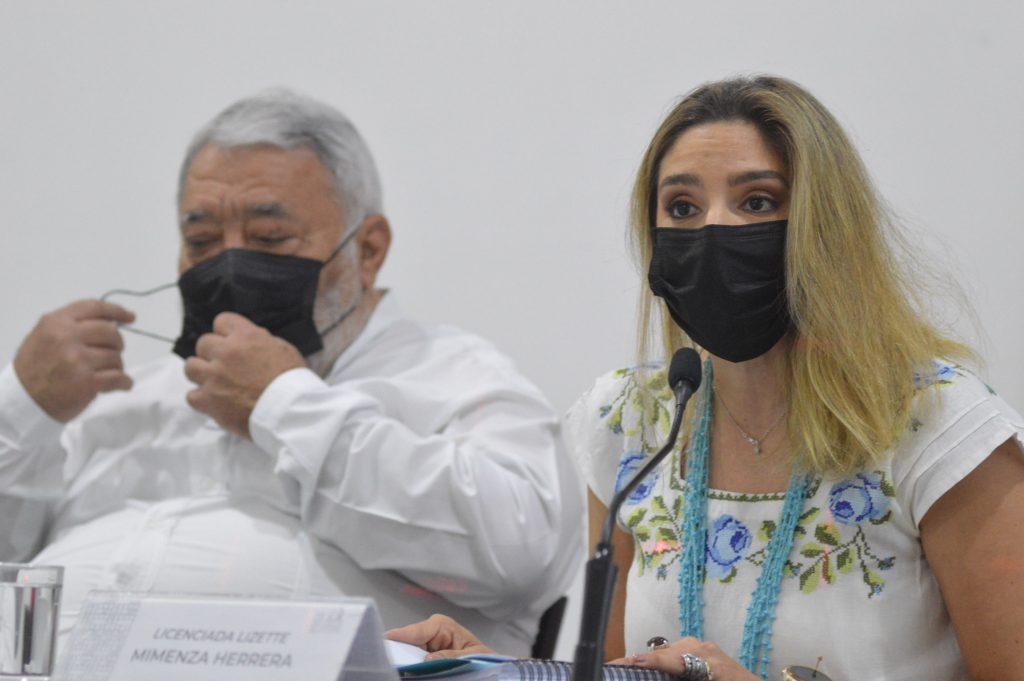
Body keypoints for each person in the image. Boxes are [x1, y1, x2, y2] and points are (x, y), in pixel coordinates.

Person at [387, 76, 1024, 680]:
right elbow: (615, 674)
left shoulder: (938, 426)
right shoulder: (631, 419)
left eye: (757, 202)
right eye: (683, 207)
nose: (715, 229)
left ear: (827, 227)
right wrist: (492, 670)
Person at [0, 89, 583, 657]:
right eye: (201, 241)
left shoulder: (455, 379)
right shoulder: (126, 398)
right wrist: (22, 407)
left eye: (269, 239)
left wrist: (281, 404)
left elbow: (522, 555)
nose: (229, 264)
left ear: (369, 249)